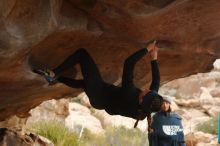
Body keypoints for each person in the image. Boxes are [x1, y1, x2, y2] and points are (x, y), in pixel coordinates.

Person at [34, 41, 163, 126]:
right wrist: (154, 57)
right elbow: (156, 80)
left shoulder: (129, 95)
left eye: (146, 92)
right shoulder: (147, 107)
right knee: (85, 84)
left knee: (82, 54)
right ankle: (57, 79)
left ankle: (53, 74)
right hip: (102, 100)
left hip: (99, 94)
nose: (147, 89)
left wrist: (147, 49)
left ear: (141, 100)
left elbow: (128, 63)